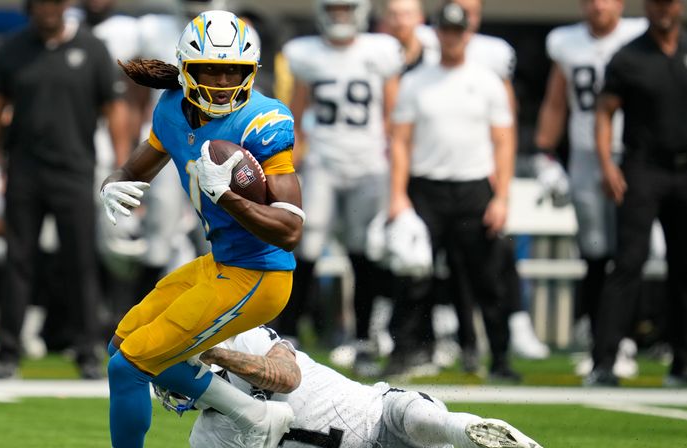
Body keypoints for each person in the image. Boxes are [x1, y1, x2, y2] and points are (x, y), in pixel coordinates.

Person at [53, 9, 307, 448]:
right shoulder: (171, 108)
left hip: (260, 276)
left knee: (131, 366)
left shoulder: (265, 120)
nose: (222, 80)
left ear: (250, 71)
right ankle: (254, 415)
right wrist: (113, 182)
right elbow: (138, 163)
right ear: (188, 69)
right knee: (122, 344)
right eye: (212, 68)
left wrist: (232, 200)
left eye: (233, 70)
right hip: (220, 263)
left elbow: (290, 229)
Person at [170, 325, 599, 448]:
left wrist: (218, 354)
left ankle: (471, 432)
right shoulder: (212, 437)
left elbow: (286, 376)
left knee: (419, 418)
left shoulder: (246, 339)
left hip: (385, 412)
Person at [0, 0, 131, 379]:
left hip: (75, 170)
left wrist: (125, 169)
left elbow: (115, 109)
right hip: (23, 170)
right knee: (18, 259)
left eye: (54, 2)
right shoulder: (12, 49)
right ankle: (8, 350)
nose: (47, 9)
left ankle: (87, 349)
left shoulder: (92, 48)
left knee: (80, 261)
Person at [591, 0, 687, 387]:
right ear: (646, 8)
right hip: (642, 168)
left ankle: (684, 363)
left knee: (685, 269)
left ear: (679, 6)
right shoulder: (628, 57)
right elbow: (604, 112)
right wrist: (607, 165)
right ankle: (604, 362)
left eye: (669, 3)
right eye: (656, 4)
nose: (663, 10)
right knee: (628, 263)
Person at [386, 4, 517, 381]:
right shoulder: (415, 81)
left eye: (458, 31)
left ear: (468, 33)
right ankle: (403, 354)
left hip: (474, 187)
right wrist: (398, 196)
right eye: (446, 30)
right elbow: (401, 142)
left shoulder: (487, 80)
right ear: (437, 32)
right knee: (413, 276)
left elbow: (504, 141)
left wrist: (502, 197)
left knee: (487, 279)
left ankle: (501, 359)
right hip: (426, 188)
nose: (452, 37)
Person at [274, 0, 402, 368]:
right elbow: (293, 117)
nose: (340, 15)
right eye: (334, 9)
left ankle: (363, 338)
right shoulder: (307, 54)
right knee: (306, 244)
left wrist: (396, 171)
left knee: (364, 252)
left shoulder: (380, 51)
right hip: (323, 163)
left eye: (347, 8)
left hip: (369, 164)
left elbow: (394, 116)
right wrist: (286, 166)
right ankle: (289, 334)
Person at [534, 0, 646, 377]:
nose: (599, 5)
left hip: (634, 155)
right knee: (595, 254)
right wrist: (545, 154)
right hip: (585, 158)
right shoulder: (566, 42)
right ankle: (599, 339)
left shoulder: (640, 34)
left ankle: (624, 339)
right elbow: (555, 100)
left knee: (632, 253)